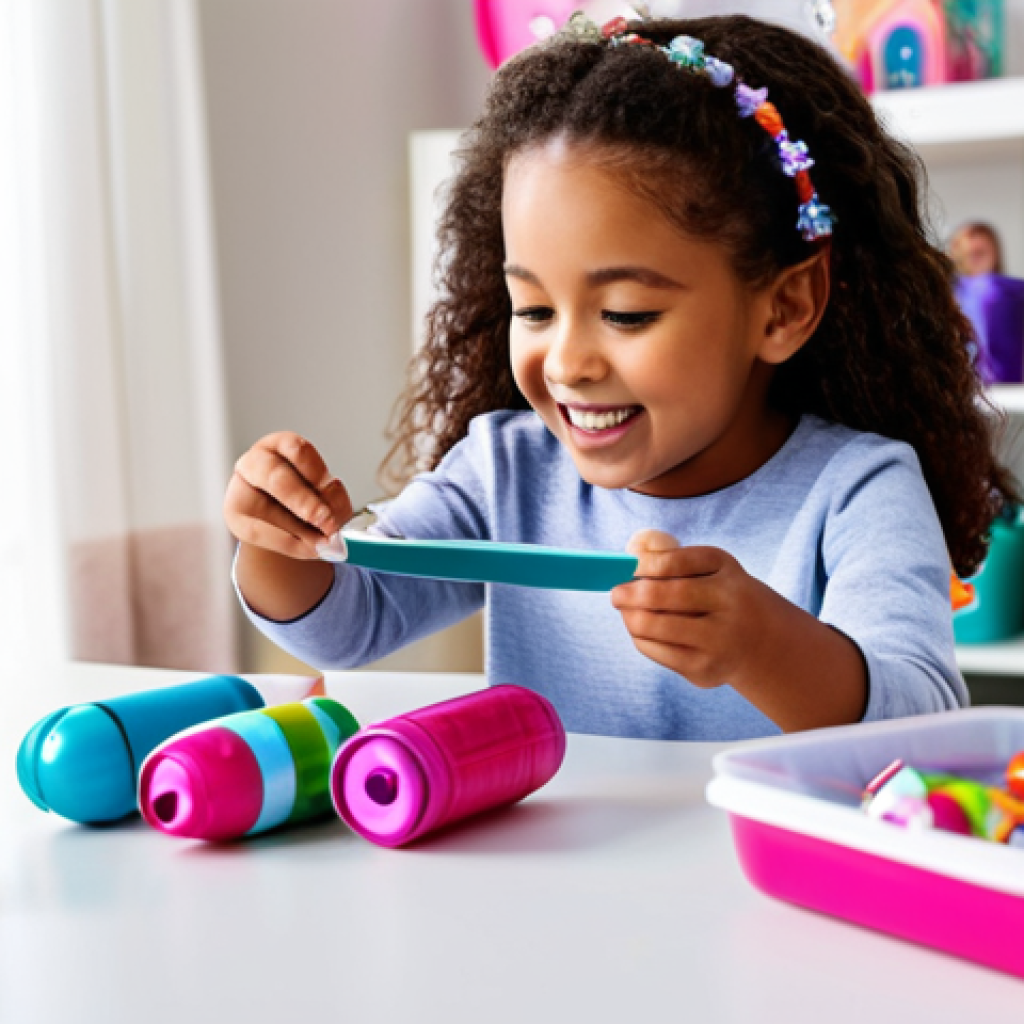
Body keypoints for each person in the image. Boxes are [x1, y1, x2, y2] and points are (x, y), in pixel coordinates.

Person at [224, 14, 1017, 741]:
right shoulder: (506, 472)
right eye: (534, 310)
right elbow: (349, 621)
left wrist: (764, 646)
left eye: (627, 314)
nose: (568, 363)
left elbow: (923, 719)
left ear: (784, 308)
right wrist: (281, 543)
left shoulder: (859, 489)